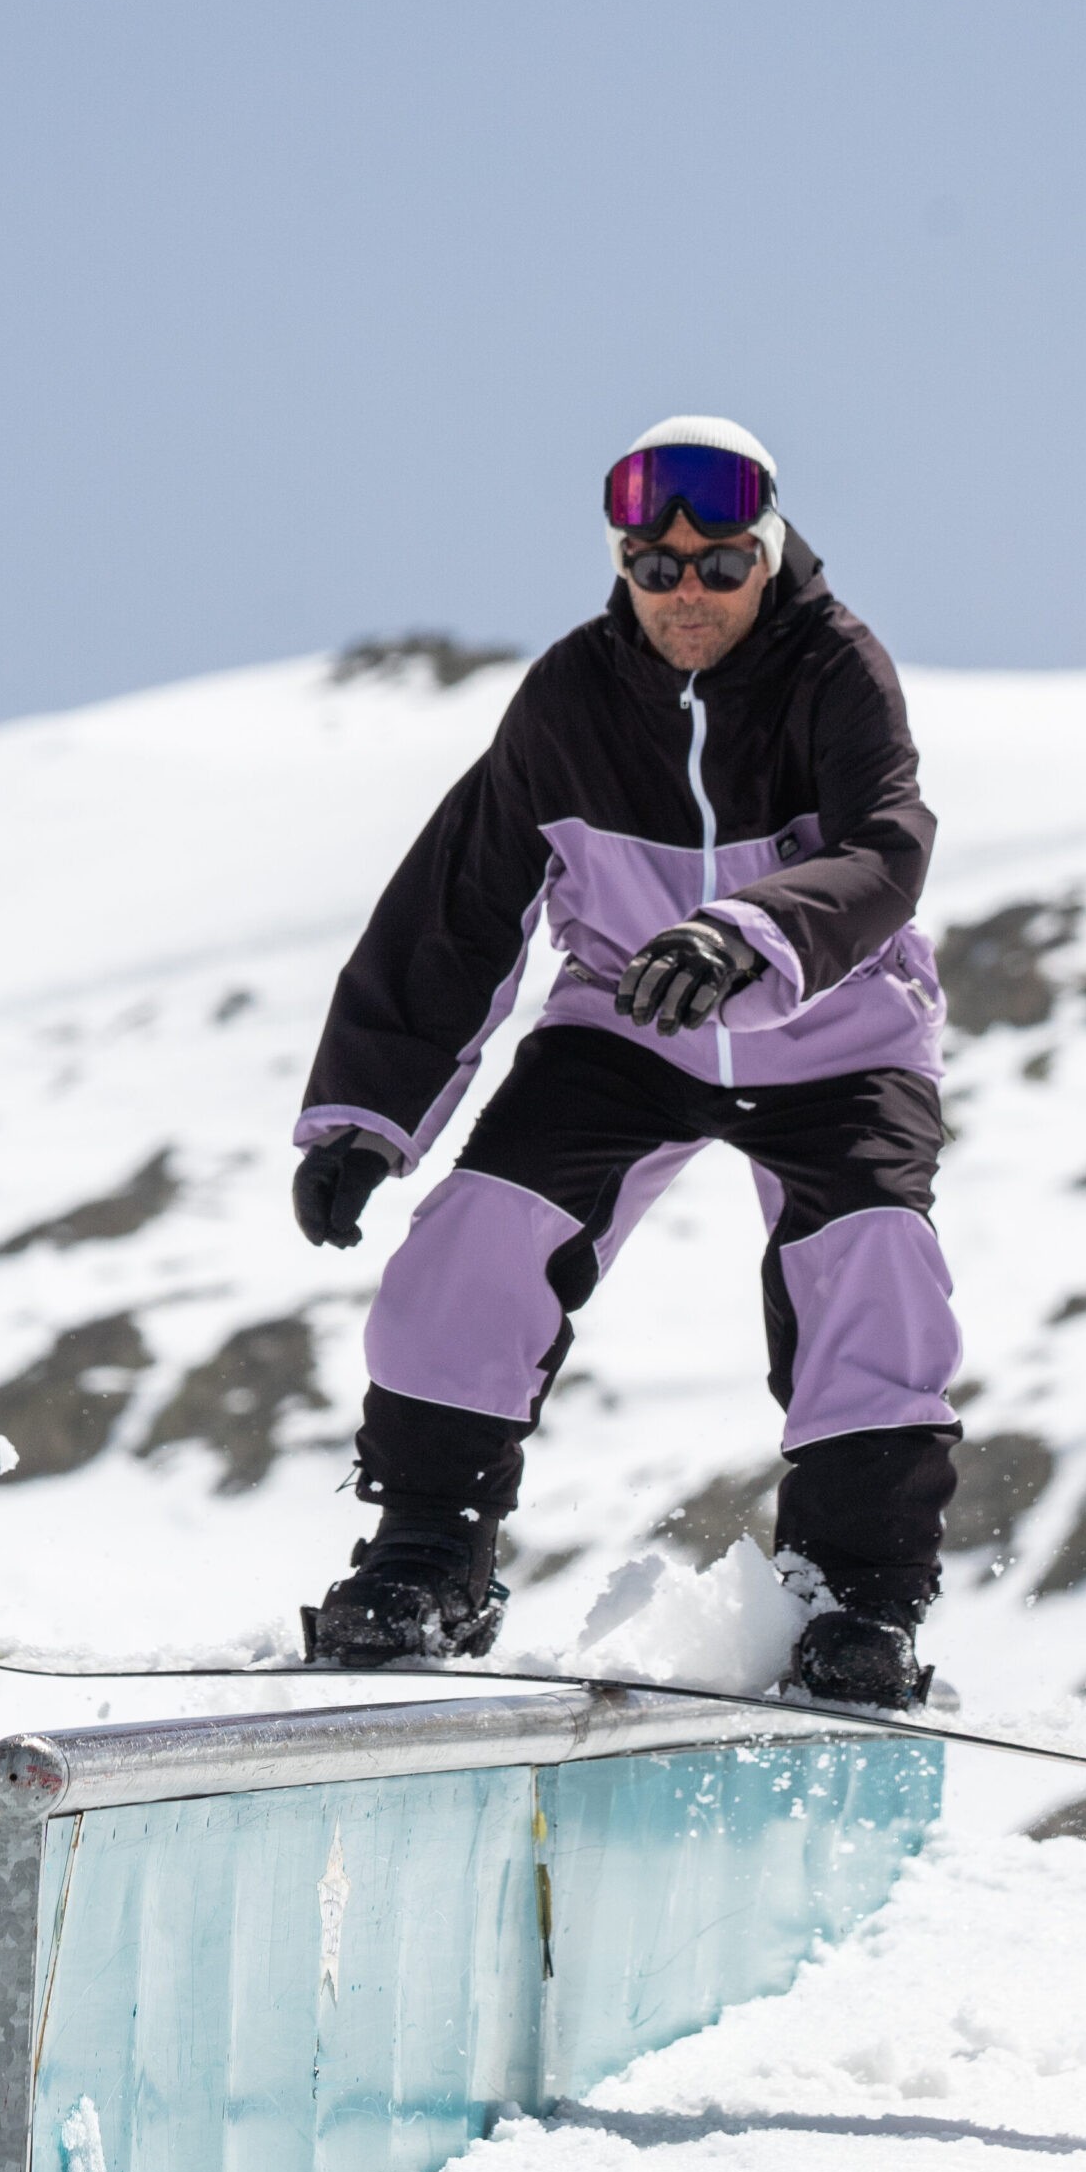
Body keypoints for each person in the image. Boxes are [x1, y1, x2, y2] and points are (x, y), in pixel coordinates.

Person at [289, 416, 962, 1705]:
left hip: (836, 1029)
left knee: (870, 1253)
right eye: (658, 570)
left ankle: (856, 1599)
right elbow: (463, 898)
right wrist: (368, 1113)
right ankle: (428, 1554)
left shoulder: (837, 671)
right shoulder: (571, 700)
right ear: (622, 569)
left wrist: (750, 933)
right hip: (629, 1021)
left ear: (768, 554)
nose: (689, 593)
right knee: (480, 1232)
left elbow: (887, 845)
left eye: (720, 564)